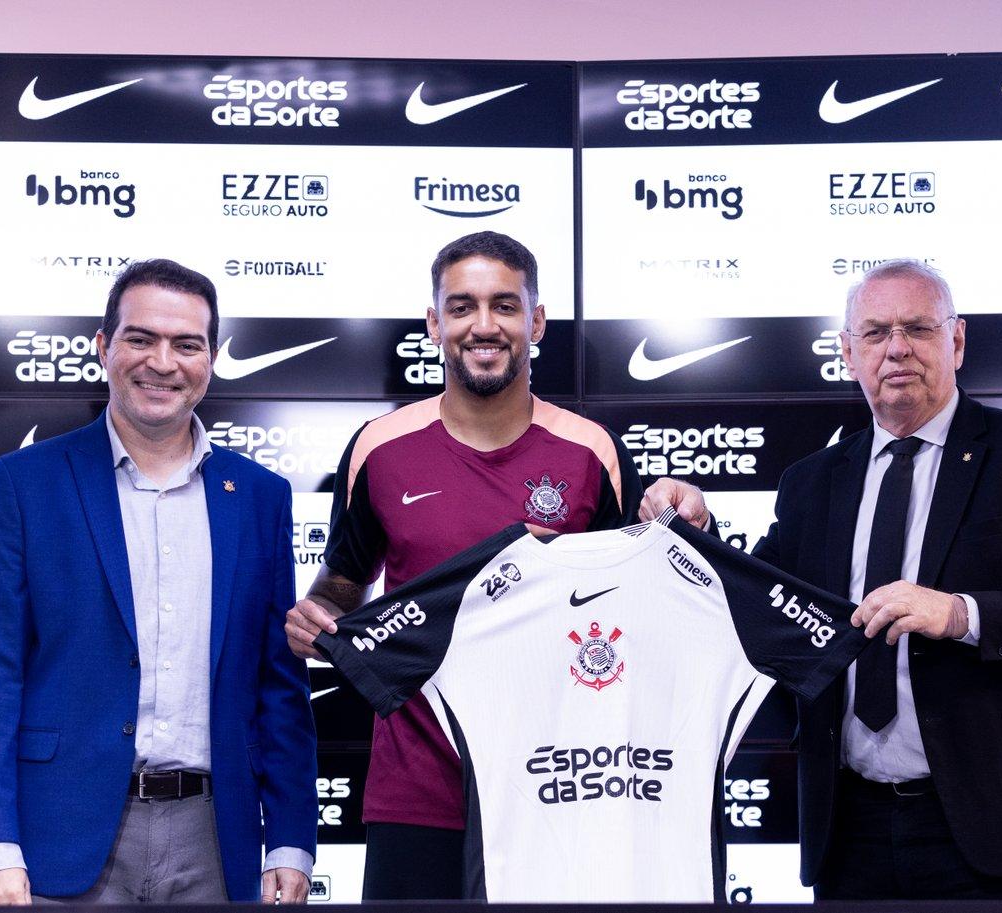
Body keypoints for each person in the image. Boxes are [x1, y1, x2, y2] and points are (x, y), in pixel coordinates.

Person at [284, 231, 709, 900]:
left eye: (505, 306)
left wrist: (686, 527)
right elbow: (344, 577)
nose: (484, 326)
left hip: (561, 787)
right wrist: (321, 615)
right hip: (417, 790)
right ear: (434, 324)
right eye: (462, 307)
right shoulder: (379, 447)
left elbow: (648, 596)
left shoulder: (591, 451)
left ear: (535, 322)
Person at [752, 258, 1002, 900]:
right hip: (849, 832)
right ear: (848, 353)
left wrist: (960, 615)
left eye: (918, 328)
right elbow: (757, 605)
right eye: (876, 333)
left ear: (955, 341)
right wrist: (691, 531)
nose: (896, 348)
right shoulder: (811, 482)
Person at [0, 259, 317, 904]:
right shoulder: (25, 482)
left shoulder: (260, 496)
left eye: (187, 344)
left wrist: (291, 837)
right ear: (103, 347)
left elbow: (279, 683)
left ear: (211, 360)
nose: (163, 362)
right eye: (141, 339)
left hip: (216, 840)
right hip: (58, 837)